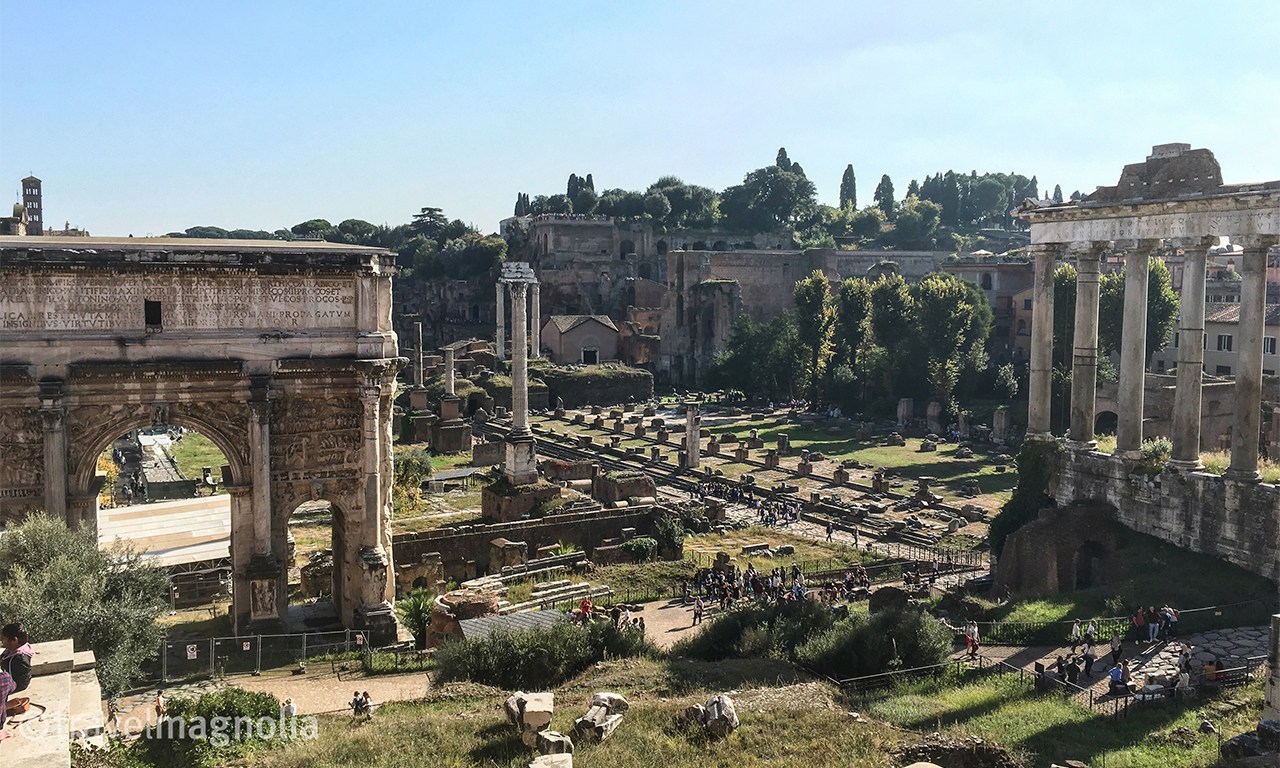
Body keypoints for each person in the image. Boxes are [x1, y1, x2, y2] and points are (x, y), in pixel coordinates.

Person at [0, 623, 33, 719]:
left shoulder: (18, 658)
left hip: (16, 684)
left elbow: (10, 680)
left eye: (4, 639)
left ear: (14, 640)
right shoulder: (13, 649)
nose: (2, 641)